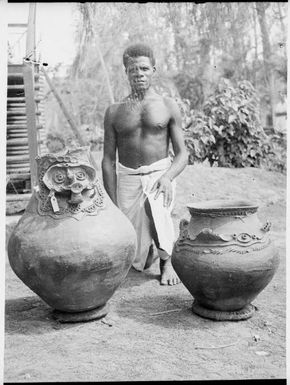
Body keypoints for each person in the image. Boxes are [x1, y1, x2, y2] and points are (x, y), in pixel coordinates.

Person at [102, 43, 188, 285]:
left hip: (160, 175)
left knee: (155, 206)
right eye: (132, 69)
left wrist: (168, 177)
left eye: (144, 68)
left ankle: (166, 262)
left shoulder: (167, 105)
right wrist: (112, 202)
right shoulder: (114, 111)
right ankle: (147, 252)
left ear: (153, 70)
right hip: (127, 178)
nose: (138, 73)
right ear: (125, 72)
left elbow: (182, 153)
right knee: (135, 256)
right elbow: (108, 160)